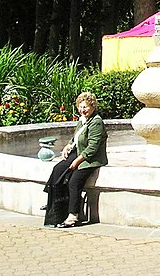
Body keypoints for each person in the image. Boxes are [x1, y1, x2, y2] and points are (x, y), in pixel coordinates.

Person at [43, 91, 108, 227]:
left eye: (85, 107)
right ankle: (53, 201)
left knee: (74, 181)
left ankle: (73, 216)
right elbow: (76, 138)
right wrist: (68, 146)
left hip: (91, 158)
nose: (82, 110)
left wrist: (77, 161)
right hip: (79, 152)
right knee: (58, 168)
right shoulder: (83, 120)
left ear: (93, 107)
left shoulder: (96, 122)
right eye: (80, 107)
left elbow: (92, 147)